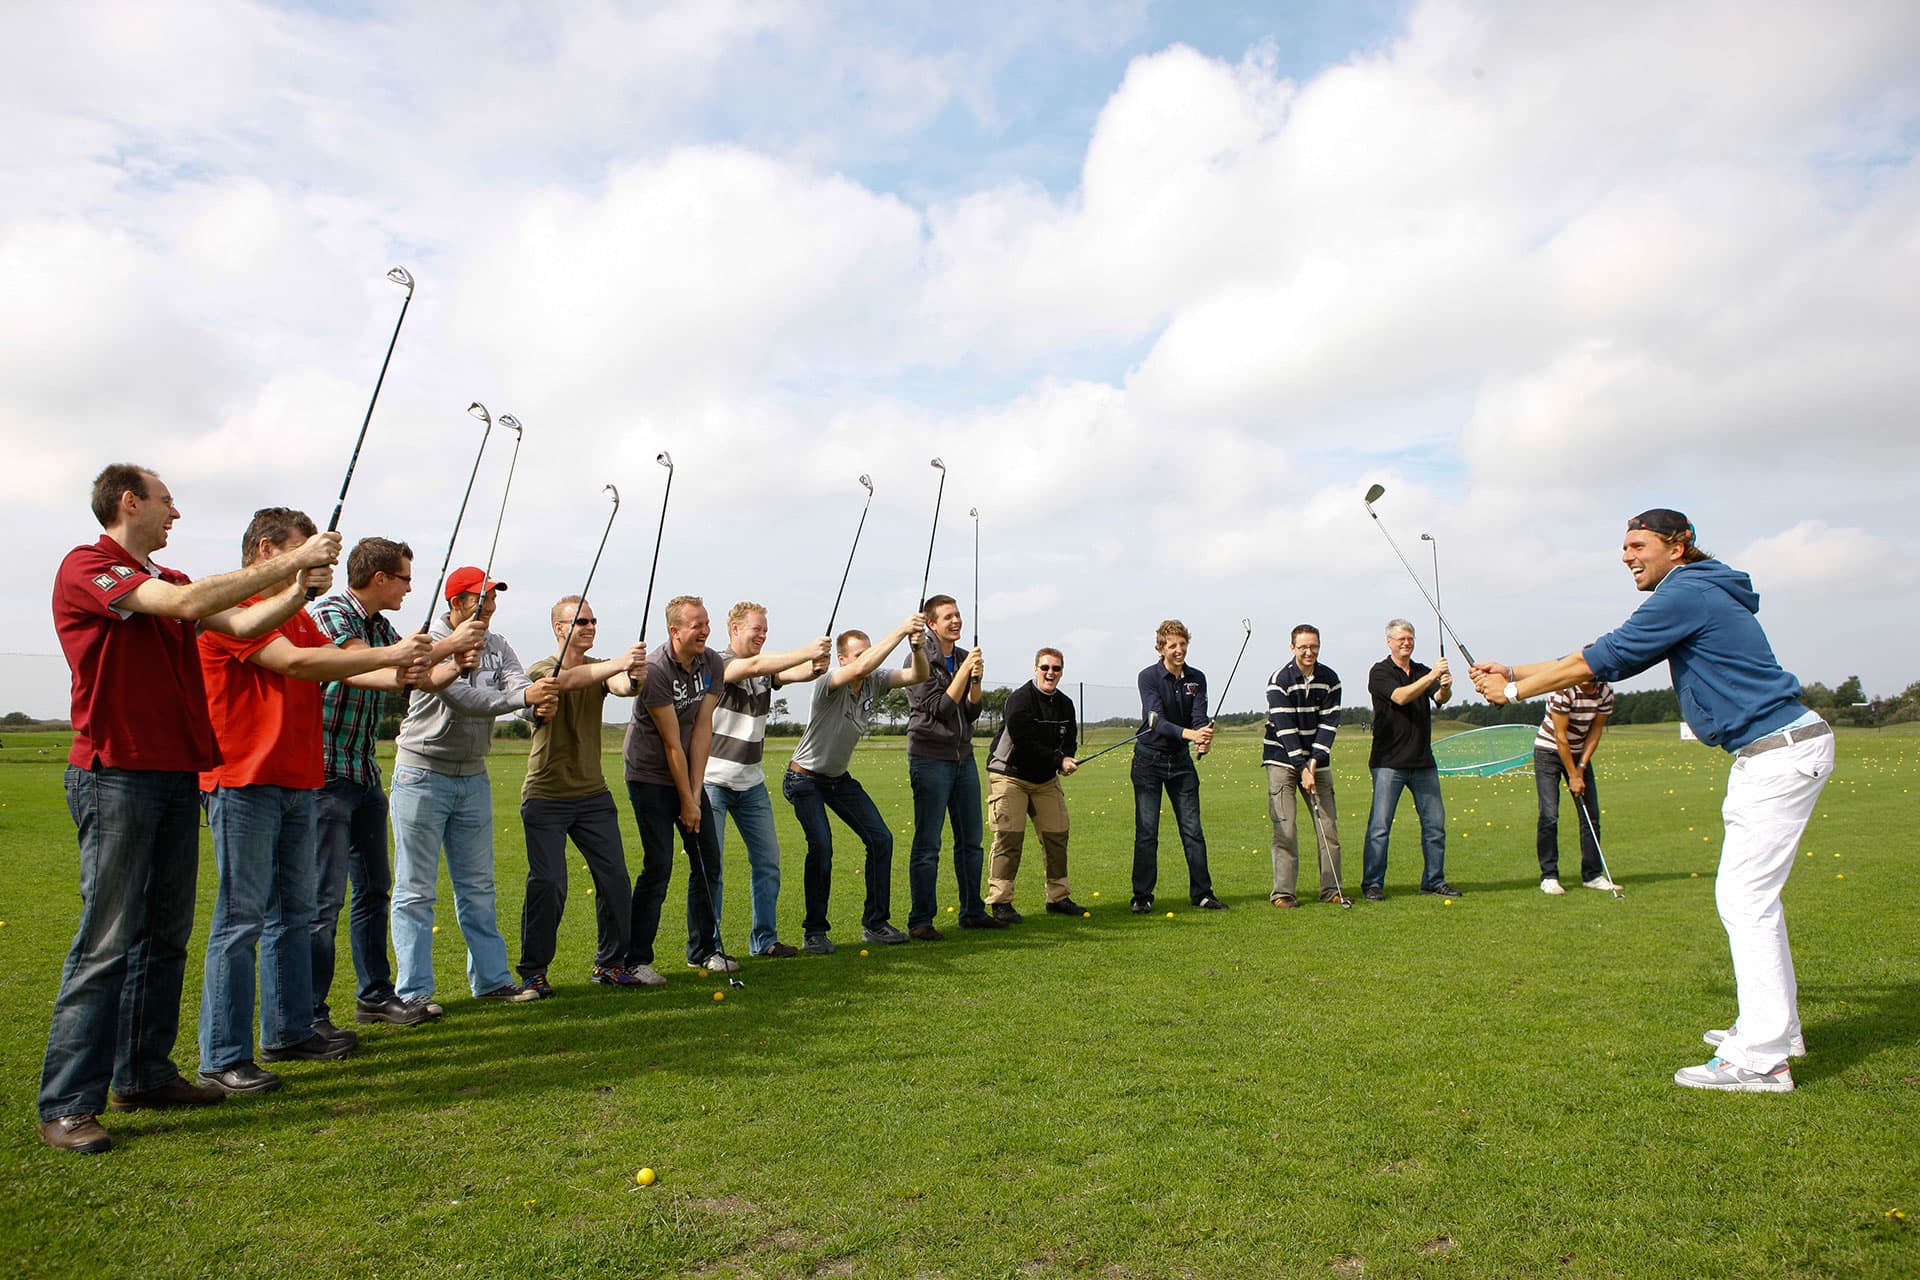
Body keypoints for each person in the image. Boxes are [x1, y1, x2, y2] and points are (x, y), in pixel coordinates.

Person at [1472, 508, 1834, 1092]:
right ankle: (1777, 1028)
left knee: (1745, 901)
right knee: (1751, 899)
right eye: (1623, 546)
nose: (1626, 556)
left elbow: (1604, 659)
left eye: (1638, 544)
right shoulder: (1696, 589)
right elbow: (1596, 651)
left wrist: (1512, 690)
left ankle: (1763, 1058)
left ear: (1677, 544)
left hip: (1778, 753)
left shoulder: (1685, 592)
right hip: (1772, 752)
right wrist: (1513, 668)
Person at [40, 465, 342, 1154]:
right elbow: (185, 607)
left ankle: (144, 1073)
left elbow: (237, 618)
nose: (175, 512)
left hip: (178, 773)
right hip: (114, 773)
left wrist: (295, 587)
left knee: (165, 936)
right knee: (106, 942)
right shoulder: (90, 566)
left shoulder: (174, 581)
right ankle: (66, 1103)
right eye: (166, 500)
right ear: (129, 502)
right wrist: (296, 556)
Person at [195, 509, 435, 1095]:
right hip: (243, 779)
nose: (323, 561)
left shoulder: (299, 617)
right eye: (308, 550)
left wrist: (408, 658)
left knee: (292, 915)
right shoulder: (232, 611)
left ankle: (289, 1030)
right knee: (241, 920)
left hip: (300, 780)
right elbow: (299, 664)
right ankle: (223, 1055)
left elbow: (333, 663)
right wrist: (394, 654)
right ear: (265, 550)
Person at [310, 538, 485, 1031]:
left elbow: (416, 677)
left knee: (374, 891)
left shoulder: (380, 625)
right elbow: (365, 668)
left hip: (364, 772)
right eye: (405, 578)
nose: (411, 587)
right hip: (324, 773)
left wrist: (454, 663)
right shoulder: (331, 612)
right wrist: (448, 642)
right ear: (380, 578)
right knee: (324, 901)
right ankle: (310, 1014)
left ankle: (374, 996)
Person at [389, 567, 554, 1011]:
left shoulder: (498, 646)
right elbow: (468, 700)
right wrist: (524, 699)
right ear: (456, 602)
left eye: (493, 599)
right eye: (481, 599)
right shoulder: (431, 644)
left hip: (472, 776)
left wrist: (533, 698)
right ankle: (414, 992)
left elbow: (516, 684)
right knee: (416, 890)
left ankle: (492, 981)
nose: (490, 607)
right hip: (421, 775)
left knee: (478, 887)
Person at [515, 596, 649, 993]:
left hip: (592, 795)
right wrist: (621, 663)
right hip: (545, 795)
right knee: (549, 884)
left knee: (615, 882)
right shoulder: (541, 669)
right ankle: (533, 972)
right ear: (560, 628)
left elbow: (620, 685)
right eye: (581, 622)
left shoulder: (600, 668)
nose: (590, 627)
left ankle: (609, 964)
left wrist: (635, 675)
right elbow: (565, 682)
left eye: (593, 621)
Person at [781, 616, 928, 952]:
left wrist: (916, 648)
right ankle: (814, 932)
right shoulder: (830, 682)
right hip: (803, 779)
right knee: (822, 847)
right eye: (857, 654)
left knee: (881, 839)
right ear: (842, 659)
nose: (865, 659)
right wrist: (902, 629)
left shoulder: (876, 680)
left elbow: (918, 675)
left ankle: (875, 924)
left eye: (868, 652)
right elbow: (862, 669)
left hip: (838, 781)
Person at [703, 603, 830, 959]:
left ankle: (764, 940)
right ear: (734, 629)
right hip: (712, 782)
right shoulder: (716, 661)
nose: (761, 636)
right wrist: (808, 650)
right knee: (711, 868)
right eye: (755, 630)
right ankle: (708, 947)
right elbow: (756, 666)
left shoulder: (763, 669)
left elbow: (784, 674)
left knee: (768, 861)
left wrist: (814, 667)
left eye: (765, 631)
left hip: (751, 784)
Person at [623, 595, 732, 981]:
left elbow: (702, 729)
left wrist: (696, 792)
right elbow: (671, 742)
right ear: (674, 631)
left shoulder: (712, 663)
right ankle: (635, 959)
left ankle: (703, 950)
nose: (704, 630)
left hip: (689, 772)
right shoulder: (654, 670)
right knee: (659, 866)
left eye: (706, 623)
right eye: (696, 625)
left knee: (708, 860)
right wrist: (687, 801)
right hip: (650, 775)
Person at [905, 594, 1001, 938]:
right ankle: (921, 920)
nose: (956, 621)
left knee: (971, 841)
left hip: (963, 757)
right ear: (932, 624)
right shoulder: (919, 659)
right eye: (948, 617)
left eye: (958, 615)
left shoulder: (961, 657)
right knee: (929, 843)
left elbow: (972, 711)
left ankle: (972, 912)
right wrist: (963, 673)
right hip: (930, 758)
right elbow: (942, 708)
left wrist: (975, 680)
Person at [983, 648, 1086, 921]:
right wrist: (1058, 759)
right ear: (1035, 669)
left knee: (1057, 835)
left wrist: (1066, 759)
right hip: (1009, 775)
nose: (1050, 673)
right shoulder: (1019, 700)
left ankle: (1058, 897)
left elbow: (1069, 741)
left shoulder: (1065, 704)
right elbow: (1024, 742)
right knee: (1009, 837)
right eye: (1045, 668)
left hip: (1044, 779)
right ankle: (1001, 902)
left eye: (1056, 668)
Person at [1131, 620, 1226, 913]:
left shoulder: (1197, 678)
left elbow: (1199, 717)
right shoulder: (1148, 677)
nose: (1179, 649)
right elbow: (1155, 720)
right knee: (1147, 831)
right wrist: (1191, 734)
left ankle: (1202, 894)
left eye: (1182, 644)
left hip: (1181, 762)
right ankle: (1142, 897)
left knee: (1193, 830)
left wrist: (1203, 738)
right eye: (1172, 645)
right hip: (1149, 759)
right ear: (1161, 648)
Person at [1361, 619, 1459, 901]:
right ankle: (1373, 883)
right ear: (1389, 642)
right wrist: (1432, 677)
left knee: (1435, 826)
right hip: (1388, 761)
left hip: (1422, 762)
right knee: (1380, 827)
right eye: (1402, 638)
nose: (1407, 642)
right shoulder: (1379, 672)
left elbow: (1439, 697)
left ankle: (1433, 880)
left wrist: (1446, 687)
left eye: (1411, 638)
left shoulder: (1422, 670)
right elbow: (1401, 697)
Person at [1262, 624, 1349, 907]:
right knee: (1285, 828)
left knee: (1328, 827)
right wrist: (1301, 768)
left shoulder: (1330, 679)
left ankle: (1332, 889)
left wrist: (1313, 763)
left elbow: (1328, 725)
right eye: (1303, 647)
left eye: (1313, 647)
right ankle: (1283, 893)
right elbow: (1285, 729)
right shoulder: (1279, 680)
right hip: (1282, 759)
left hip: (1317, 760)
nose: (1309, 652)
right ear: (1292, 648)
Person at [1532, 678, 1617, 895]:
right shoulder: (1563, 690)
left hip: (1579, 752)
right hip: (1549, 751)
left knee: (1591, 815)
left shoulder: (1605, 692)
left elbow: (1596, 731)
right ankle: (1549, 876)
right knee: (1549, 815)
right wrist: (1572, 775)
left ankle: (1593, 875)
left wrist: (1580, 767)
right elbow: (1561, 737)